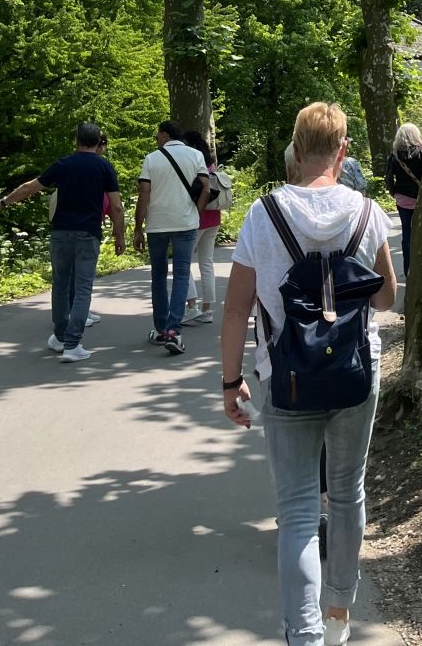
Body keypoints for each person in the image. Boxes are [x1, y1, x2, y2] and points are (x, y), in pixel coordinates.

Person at [222, 99, 397, 646]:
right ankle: (341, 615)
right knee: (346, 493)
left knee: (297, 509)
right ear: (343, 152)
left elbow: (235, 308)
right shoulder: (369, 214)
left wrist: (232, 382)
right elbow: (387, 299)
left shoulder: (263, 214)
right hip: (355, 374)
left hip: (285, 377)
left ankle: (305, 635)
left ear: (295, 153)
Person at [0, 121, 124, 362]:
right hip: (88, 233)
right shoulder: (104, 167)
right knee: (82, 288)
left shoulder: (63, 164)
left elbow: (30, 187)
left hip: (60, 232)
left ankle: (60, 338)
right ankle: (72, 344)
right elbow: (118, 206)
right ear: (97, 141)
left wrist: (2, 202)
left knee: (60, 285)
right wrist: (119, 234)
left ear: (76, 141)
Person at [134, 119, 210, 356]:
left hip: (157, 225)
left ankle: (160, 328)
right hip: (185, 223)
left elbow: (144, 193)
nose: (156, 139)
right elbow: (206, 188)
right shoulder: (196, 156)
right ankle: (173, 331)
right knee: (180, 274)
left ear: (165, 135)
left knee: (158, 275)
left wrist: (138, 226)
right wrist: (196, 212)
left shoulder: (151, 159)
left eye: (158, 135)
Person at [181, 130, 221, 326]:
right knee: (207, 263)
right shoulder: (210, 163)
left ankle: (191, 307)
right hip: (214, 217)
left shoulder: (193, 163)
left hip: (196, 217)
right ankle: (207, 309)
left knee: (184, 261)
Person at [385, 123, 422, 278]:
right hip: (421, 199)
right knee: (421, 233)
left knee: (407, 234)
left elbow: (388, 177)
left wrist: (394, 193)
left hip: (402, 199)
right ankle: (421, 266)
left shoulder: (395, 155)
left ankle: (408, 269)